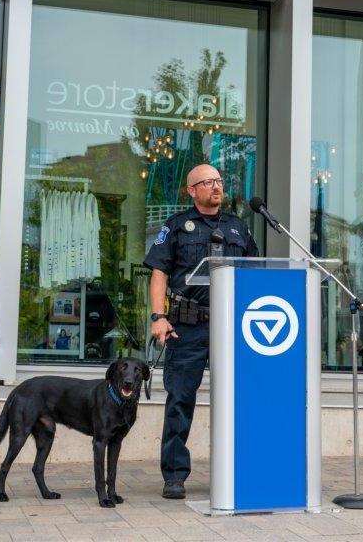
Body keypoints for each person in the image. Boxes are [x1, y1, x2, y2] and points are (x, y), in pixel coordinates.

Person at [144, 164, 258, 499]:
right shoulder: (176, 226)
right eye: (208, 182)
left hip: (233, 328)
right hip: (189, 327)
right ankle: (175, 475)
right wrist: (158, 316)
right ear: (192, 190)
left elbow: (253, 272)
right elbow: (159, 274)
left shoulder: (238, 227)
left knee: (243, 399)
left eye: (220, 181)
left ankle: (243, 469)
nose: (216, 187)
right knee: (180, 400)